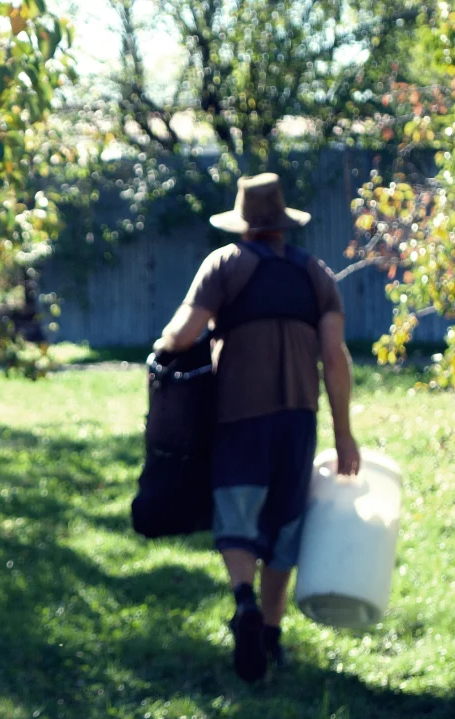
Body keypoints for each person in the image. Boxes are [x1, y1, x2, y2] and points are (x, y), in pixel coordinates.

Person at [152, 173, 360, 683]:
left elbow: (184, 332)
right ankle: (270, 632)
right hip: (297, 419)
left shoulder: (224, 264)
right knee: (284, 525)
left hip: (238, 415)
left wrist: (164, 348)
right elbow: (334, 358)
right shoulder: (316, 275)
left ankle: (243, 599)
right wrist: (344, 433)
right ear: (284, 223)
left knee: (237, 515)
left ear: (243, 224)